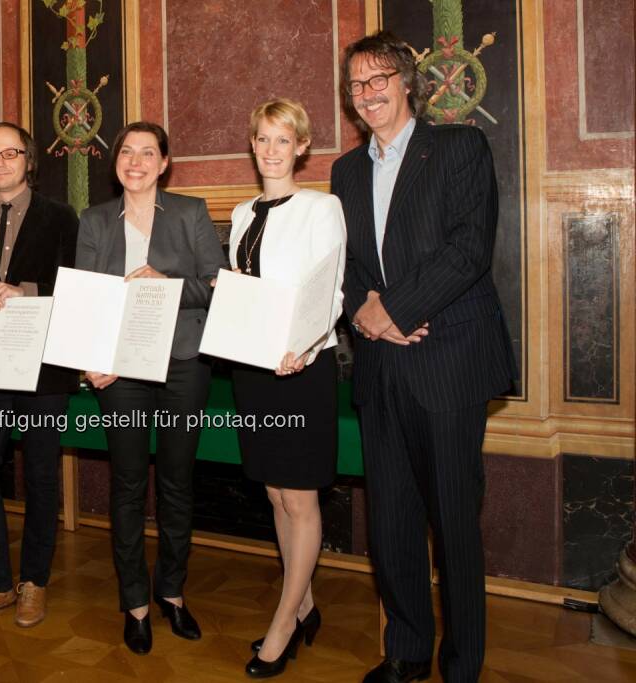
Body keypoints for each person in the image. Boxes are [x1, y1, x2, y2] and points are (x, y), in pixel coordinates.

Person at [330, 31, 515, 683]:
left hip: (448, 362)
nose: (368, 93)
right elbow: (346, 264)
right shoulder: (345, 171)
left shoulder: (460, 148)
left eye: (380, 79)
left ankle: (461, 666)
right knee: (394, 523)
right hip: (380, 369)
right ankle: (406, 652)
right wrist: (365, 313)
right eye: (357, 84)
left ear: (407, 82)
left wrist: (395, 310)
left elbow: (468, 249)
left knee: (454, 526)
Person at [75, 121, 229, 655]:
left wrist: (168, 285)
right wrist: (93, 361)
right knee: (127, 485)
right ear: (114, 161)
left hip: (185, 362)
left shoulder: (190, 211)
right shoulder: (94, 220)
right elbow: (87, 297)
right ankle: (135, 602)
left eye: (147, 152)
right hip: (120, 371)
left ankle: (173, 591)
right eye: (125, 152)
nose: (135, 161)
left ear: (165, 162)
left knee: (177, 483)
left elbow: (218, 284)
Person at [228, 99, 346, 678]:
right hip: (254, 369)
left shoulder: (322, 208)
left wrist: (303, 346)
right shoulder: (241, 212)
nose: (270, 149)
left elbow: (330, 292)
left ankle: (284, 621)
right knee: (275, 494)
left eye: (283, 139)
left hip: (303, 367)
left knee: (299, 498)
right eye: (262, 138)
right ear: (251, 144)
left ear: (301, 147)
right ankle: (304, 603)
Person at [0, 122, 79, 629]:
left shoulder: (62, 218)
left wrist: (25, 290)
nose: (0, 162)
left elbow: (75, 287)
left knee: (42, 476)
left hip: (45, 367)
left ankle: (34, 583)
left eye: (10, 153)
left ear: (28, 160)